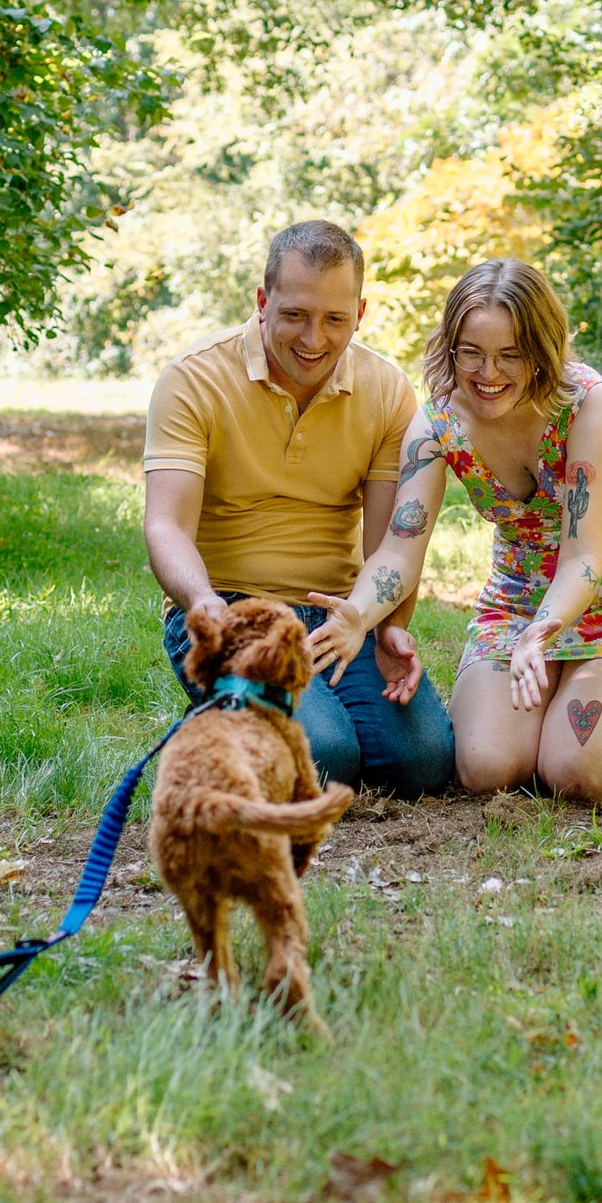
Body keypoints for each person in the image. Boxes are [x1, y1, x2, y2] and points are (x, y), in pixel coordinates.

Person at [305, 259, 602, 804]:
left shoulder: (587, 406)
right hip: (516, 607)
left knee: (577, 775)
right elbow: (400, 549)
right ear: (451, 347)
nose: (488, 374)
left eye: (511, 354)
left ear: (541, 349)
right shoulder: (439, 424)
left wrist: (544, 633)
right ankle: (560, 697)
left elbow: (582, 557)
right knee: (484, 768)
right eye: (472, 353)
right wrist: (359, 613)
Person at [141, 219, 457, 796]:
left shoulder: (386, 390)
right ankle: (220, 718)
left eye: (335, 319)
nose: (313, 338)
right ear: (264, 302)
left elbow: (393, 545)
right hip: (233, 610)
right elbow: (165, 525)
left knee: (425, 763)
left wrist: (387, 626)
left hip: (339, 614)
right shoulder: (193, 379)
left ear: (360, 313)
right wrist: (203, 602)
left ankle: (257, 716)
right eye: (295, 315)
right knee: (327, 755)